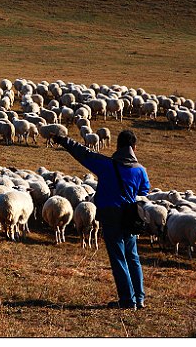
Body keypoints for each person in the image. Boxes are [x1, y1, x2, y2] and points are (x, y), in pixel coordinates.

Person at [52, 129, 150, 310]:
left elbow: (83, 153)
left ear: (118, 146)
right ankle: (140, 298)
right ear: (134, 148)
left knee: (118, 257)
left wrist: (63, 140)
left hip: (110, 215)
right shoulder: (140, 170)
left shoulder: (107, 165)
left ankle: (128, 300)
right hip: (130, 215)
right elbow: (144, 191)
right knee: (132, 256)